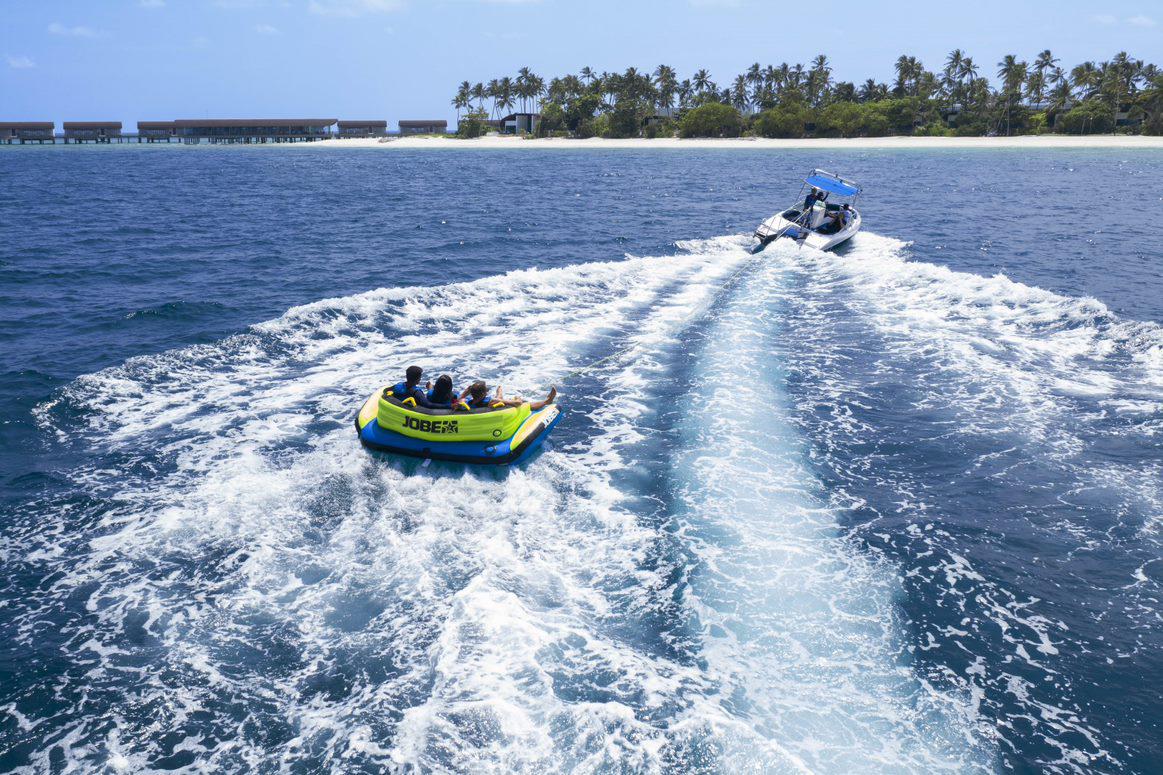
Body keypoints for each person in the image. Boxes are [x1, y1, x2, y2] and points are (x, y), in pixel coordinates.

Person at [461, 380, 557, 410]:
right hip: (504, 414)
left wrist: (464, 394)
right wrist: (518, 397)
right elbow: (517, 403)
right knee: (524, 404)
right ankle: (547, 401)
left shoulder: (467, 404)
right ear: (483, 393)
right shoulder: (491, 402)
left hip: (482, 415)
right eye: (486, 390)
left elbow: (460, 399)